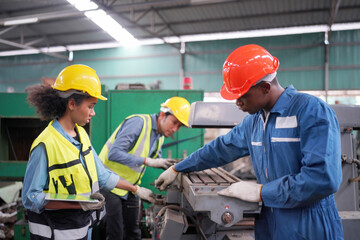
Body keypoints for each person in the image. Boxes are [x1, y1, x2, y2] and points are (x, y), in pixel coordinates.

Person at [155, 44, 344, 240]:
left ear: (265, 87)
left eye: (242, 96)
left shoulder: (311, 111)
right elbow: (220, 148)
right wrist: (179, 168)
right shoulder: (254, 122)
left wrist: (262, 192)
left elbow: (322, 178)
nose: (238, 103)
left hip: (309, 226)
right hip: (270, 221)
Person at [22, 64, 155, 240]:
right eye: (91, 106)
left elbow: (103, 176)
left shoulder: (81, 134)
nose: (93, 113)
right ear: (71, 103)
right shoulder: (46, 144)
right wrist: (80, 205)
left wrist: (135, 189)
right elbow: (31, 198)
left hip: (82, 230)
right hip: (56, 233)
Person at [98, 96, 190, 240]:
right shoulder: (138, 123)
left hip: (130, 188)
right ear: (162, 115)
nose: (175, 129)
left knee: (134, 232)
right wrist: (148, 161)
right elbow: (114, 154)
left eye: (179, 126)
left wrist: (176, 170)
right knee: (116, 233)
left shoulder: (160, 135)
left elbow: (158, 161)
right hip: (110, 184)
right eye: (174, 122)